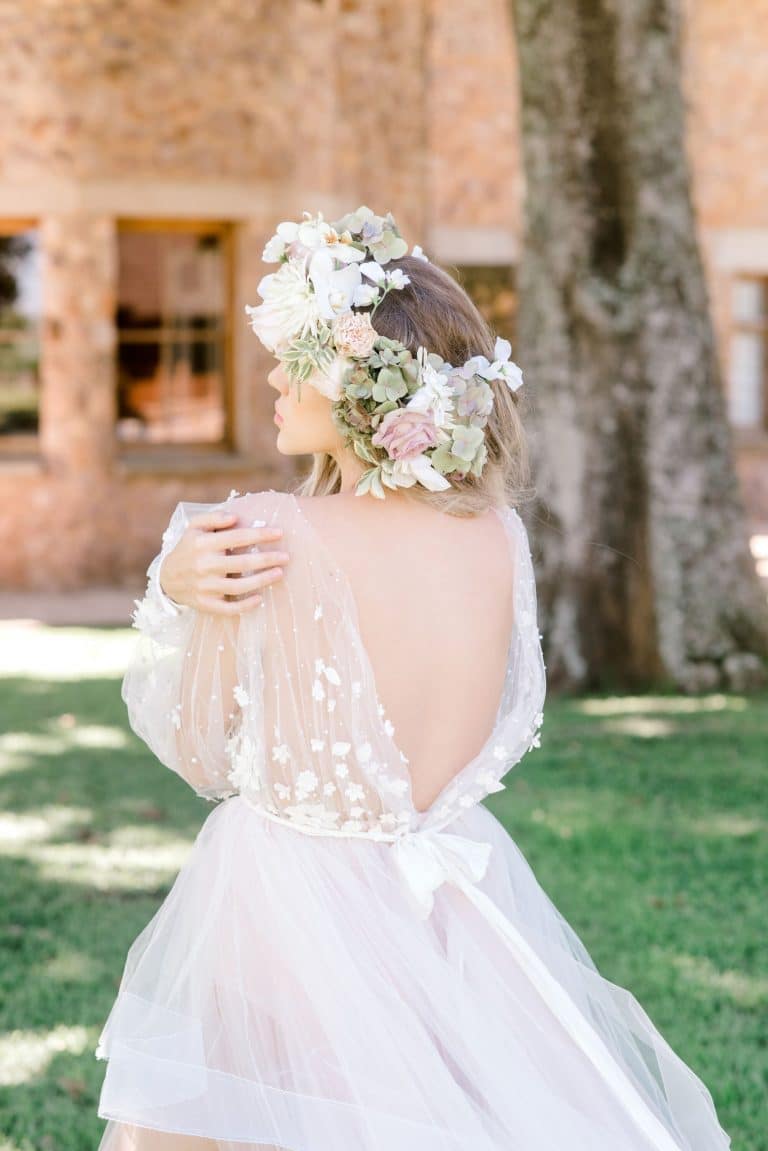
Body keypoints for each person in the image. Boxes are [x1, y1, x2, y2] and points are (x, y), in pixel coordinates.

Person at [94, 207, 731, 1151]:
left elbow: (199, 750)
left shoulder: (264, 529)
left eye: (294, 355)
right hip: (446, 907)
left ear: (357, 377)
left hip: (281, 902)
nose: (272, 376)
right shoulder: (496, 538)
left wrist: (183, 590)